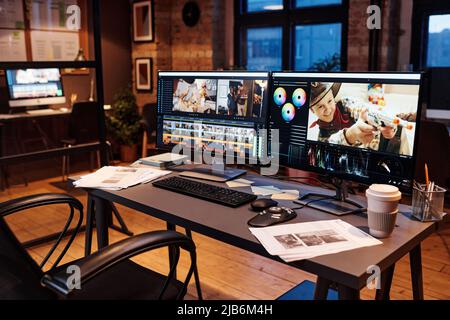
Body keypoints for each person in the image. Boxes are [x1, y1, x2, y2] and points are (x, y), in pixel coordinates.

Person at [309, 82, 399, 152]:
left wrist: (382, 121)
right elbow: (326, 151)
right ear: (313, 111)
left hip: (383, 141)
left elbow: (361, 110)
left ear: (333, 97)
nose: (328, 109)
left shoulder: (345, 104)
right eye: (320, 106)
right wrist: (350, 135)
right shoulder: (322, 134)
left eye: (329, 101)